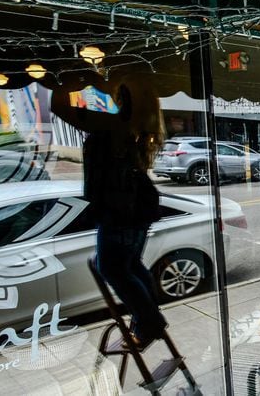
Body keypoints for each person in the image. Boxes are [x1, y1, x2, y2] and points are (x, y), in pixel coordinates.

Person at [52, 81, 167, 349]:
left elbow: (59, 106)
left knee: (114, 268)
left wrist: (71, 79)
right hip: (132, 209)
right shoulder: (127, 130)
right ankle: (149, 321)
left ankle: (148, 322)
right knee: (130, 265)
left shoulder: (111, 130)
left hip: (120, 211)